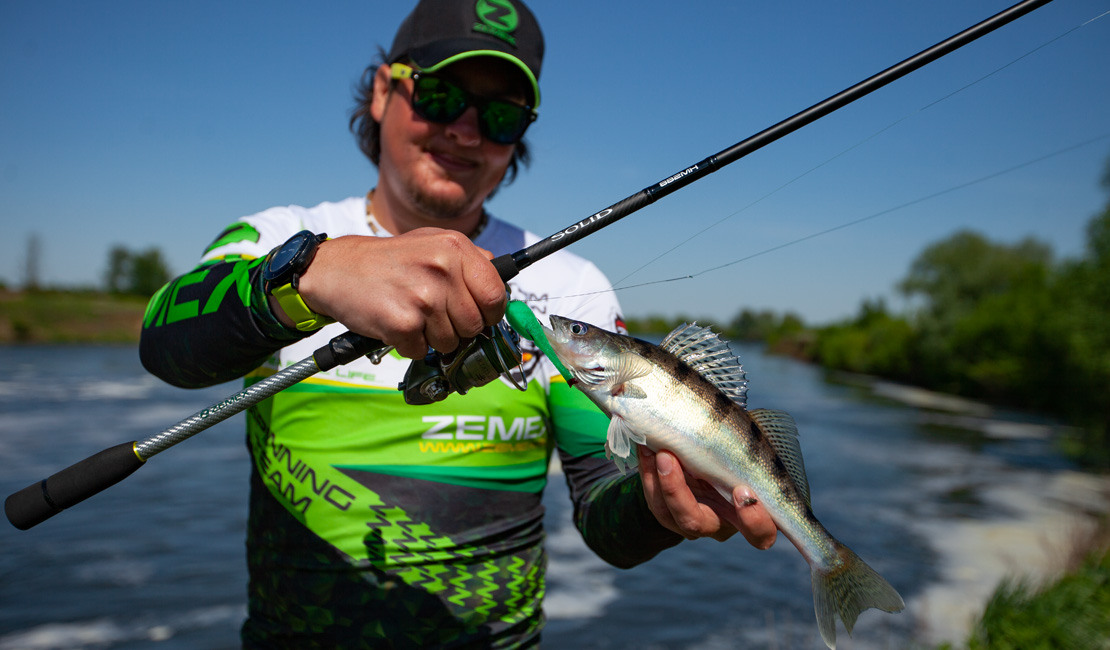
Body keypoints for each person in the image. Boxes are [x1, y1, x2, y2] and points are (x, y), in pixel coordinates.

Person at [140, 0, 775, 647]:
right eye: (442, 95)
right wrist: (315, 275)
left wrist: (658, 507)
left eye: (500, 116)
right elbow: (164, 343)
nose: (467, 133)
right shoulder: (276, 241)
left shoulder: (572, 288)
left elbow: (602, 509)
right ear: (385, 90)